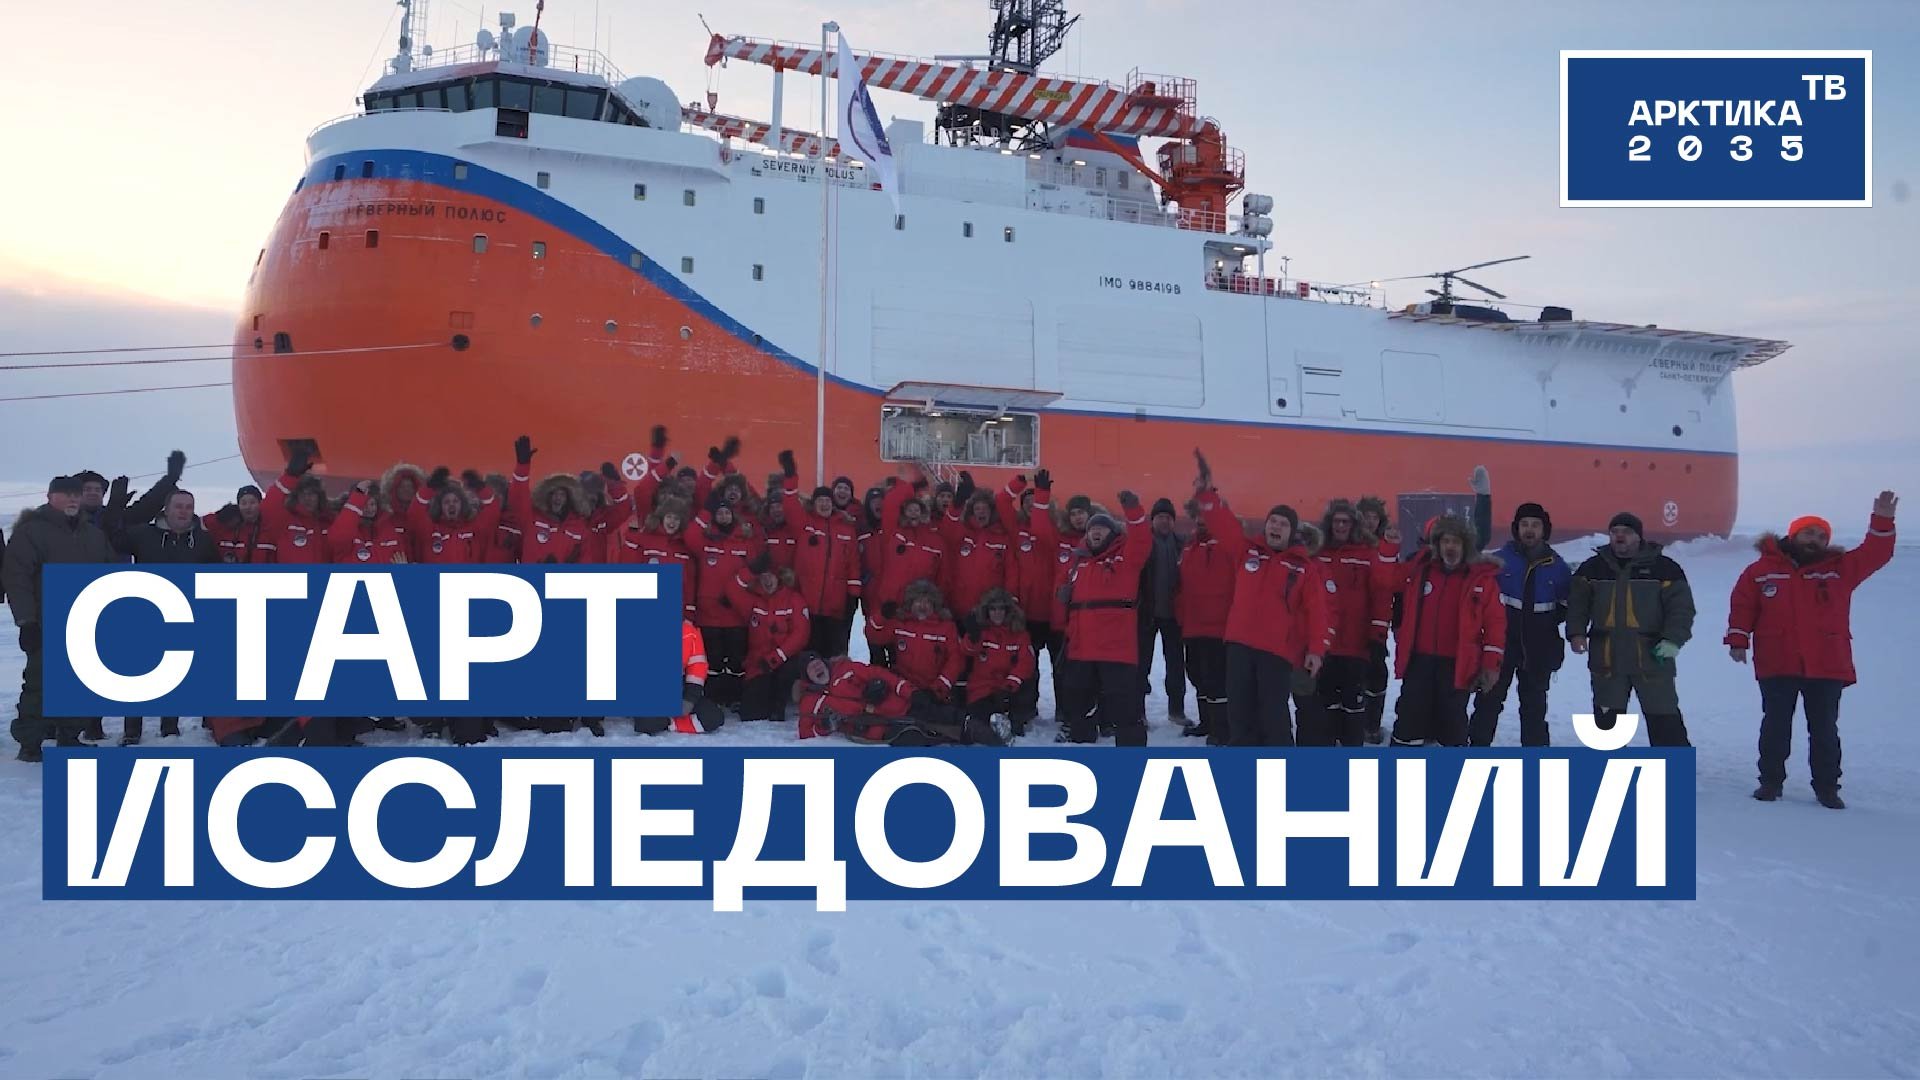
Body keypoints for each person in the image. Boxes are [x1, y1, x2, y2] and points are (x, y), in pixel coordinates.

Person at [1729, 493, 1897, 809]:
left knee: (1824, 730)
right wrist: (1738, 639)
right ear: (1793, 535)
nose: (1815, 540)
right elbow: (1743, 605)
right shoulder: (1761, 570)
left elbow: (1876, 553)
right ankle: (1770, 782)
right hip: (1778, 661)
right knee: (1775, 725)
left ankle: (1827, 788)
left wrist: (1883, 520)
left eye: (1821, 536)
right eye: (1809, 533)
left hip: (1827, 663)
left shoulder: (1840, 570)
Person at [1194, 452, 1333, 747]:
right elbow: (1222, 523)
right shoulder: (1247, 551)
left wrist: (1316, 650)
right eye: (1273, 522)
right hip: (1239, 647)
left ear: (1291, 533)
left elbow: (1317, 613)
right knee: (1239, 713)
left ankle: (1279, 765)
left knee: (1273, 716)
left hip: (1276, 652)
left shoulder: (1303, 567)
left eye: (1283, 524)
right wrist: (1206, 493)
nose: (1276, 527)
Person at [5, 475, 119, 761]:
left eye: (75, 494)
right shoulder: (31, 532)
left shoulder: (93, 534)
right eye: (65, 494)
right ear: (50, 497)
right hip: (45, 622)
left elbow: (109, 574)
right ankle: (30, 742)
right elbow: (17, 578)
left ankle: (70, 735)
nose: (72, 499)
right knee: (39, 684)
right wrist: (26, 622)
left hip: (85, 620)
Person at [1566, 511, 1696, 747]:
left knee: (1665, 721)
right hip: (1607, 658)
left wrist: (1673, 639)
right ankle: (1612, 769)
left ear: (1638, 536)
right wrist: (1576, 633)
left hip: (1652, 657)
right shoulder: (1592, 569)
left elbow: (1681, 610)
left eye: (1626, 532)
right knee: (1607, 726)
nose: (1619, 536)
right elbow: (1577, 605)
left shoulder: (1665, 569)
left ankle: (1673, 768)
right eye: (1614, 532)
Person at [105, 484, 220, 743]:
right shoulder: (143, 534)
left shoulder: (202, 540)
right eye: (178, 506)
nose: (183, 511)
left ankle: (170, 727)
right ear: (166, 510)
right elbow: (112, 538)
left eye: (188, 507)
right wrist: (116, 506)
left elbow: (215, 572)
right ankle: (132, 730)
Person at [1386, 516, 1506, 746]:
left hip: (1457, 665)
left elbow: (1495, 624)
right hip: (1419, 661)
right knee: (1409, 720)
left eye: (1456, 542)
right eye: (1445, 541)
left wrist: (1492, 664)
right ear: (1437, 545)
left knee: (1452, 726)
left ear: (1465, 546)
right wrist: (1390, 548)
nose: (1450, 547)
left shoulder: (1481, 579)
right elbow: (1388, 581)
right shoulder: (1420, 570)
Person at [1469, 501, 1572, 746]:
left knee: (1534, 705)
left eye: (1535, 525)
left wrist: (1545, 630)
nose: (1529, 530)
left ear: (1544, 530)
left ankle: (1535, 755)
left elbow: (1566, 606)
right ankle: (1476, 749)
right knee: (1488, 700)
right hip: (1500, 644)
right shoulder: (1498, 561)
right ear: (1516, 528)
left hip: (1538, 648)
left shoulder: (1558, 567)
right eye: (1524, 524)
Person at [1056, 489, 1151, 744]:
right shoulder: (1078, 562)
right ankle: (1082, 745)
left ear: (1113, 533)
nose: (1095, 532)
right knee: (1080, 703)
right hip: (1082, 648)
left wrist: (1133, 510)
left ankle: (1132, 756)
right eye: (1092, 529)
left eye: (1101, 529)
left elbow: (1142, 539)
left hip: (1115, 648)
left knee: (1124, 707)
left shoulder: (1126, 558)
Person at [1309, 499, 1392, 746]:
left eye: (1345, 522)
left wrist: (1377, 636)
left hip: (1356, 644)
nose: (1341, 526)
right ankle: (1328, 745)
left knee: (1353, 704)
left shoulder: (1367, 554)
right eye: (1336, 521)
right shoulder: (1318, 553)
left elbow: (1380, 597)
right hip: (1325, 644)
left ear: (1354, 525)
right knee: (1326, 700)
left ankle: (1352, 749)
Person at [795, 653, 1005, 746]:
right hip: (878, 728)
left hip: (900, 704)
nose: (817, 668)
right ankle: (967, 735)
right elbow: (805, 731)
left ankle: (987, 730)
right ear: (807, 678)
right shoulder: (811, 702)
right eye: (812, 669)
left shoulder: (847, 669)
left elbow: (881, 674)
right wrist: (825, 726)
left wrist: (909, 691)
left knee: (941, 715)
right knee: (919, 737)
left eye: (818, 663)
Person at [863, 466, 946, 668]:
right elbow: (891, 503)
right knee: (878, 648)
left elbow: (942, 576)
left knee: (906, 657)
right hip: (889, 604)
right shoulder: (894, 533)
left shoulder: (935, 541)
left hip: (916, 608)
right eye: (910, 509)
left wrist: (937, 603)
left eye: (918, 509)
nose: (914, 513)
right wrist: (908, 486)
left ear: (924, 513)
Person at [1175, 496, 1237, 744]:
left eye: (1207, 515)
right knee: (1198, 676)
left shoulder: (1228, 544)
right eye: (1199, 516)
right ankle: (1207, 722)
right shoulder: (1190, 546)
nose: (1202, 520)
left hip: (1219, 626)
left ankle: (1222, 729)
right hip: (1192, 625)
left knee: (1217, 680)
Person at [727, 554, 812, 721]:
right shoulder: (754, 600)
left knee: (789, 671)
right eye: (763, 576)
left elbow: (801, 635)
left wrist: (776, 657)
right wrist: (750, 571)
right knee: (751, 714)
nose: (767, 580)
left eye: (770, 576)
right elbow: (732, 589)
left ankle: (780, 703)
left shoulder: (794, 599)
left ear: (779, 577)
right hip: (759, 663)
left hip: (785, 660)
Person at [507, 435, 605, 563]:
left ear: (569, 499)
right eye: (554, 493)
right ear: (547, 496)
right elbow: (518, 499)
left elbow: (584, 564)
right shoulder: (532, 518)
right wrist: (522, 467)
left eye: (562, 494)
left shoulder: (579, 528)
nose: (557, 497)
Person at [793, 484, 861, 659]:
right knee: (810, 652)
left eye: (827, 501)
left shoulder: (846, 528)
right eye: (820, 501)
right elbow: (789, 505)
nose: (824, 504)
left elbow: (853, 564)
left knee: (834, 654)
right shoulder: (805, 523)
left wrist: (853, 595)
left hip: (836, 604)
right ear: (814, 504)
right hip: (808, 602)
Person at [1136, 497, 1188, 723]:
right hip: (1146, 613)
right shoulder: (1143, 543)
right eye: (1160, 517)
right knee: (1141, 664)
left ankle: (1176, 710)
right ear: (1153, 520)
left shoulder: (1182, 544)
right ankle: (1138, 712)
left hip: (1173, 614)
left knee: (1176, 665)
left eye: (1168, 517)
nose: (1164, 521)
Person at [960, 588, 1038, 736]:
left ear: (1008, 611)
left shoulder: (1019, 634)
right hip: (983, 688)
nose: (997, 613)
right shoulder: (982, 631)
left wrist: (1010, 684)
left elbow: (1026, 662)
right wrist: (972, 636)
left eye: (1001, 608)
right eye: (993, 609)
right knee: (980, 719)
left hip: (1009, 688)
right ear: (987, 611)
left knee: (1025, 690)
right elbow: (966, 650)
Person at [1355, 494, 1400, 744]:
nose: (1371, 521)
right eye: (1366, 517)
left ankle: (1371, 725)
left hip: (1378, 624)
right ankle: (1351, 724)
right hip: (1351, 623)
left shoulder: (1387, 548)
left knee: (1376, 675)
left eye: (1375, 517)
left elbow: (1394, 584)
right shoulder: (1350, 545)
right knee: (1352, 675)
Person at [882, 578, 967, 701]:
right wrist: (881, 617)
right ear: (910, 604)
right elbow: (875, 636)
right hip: (903, 688)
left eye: (928, 602)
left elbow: (956, 660)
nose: (922, 606)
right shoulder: (900, 623)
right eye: (918, 601)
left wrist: (940, 686)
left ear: (934, 606)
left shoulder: (946, 628)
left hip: (932, 691)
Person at [204, 484, 279, 563]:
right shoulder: (227, 527)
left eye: (252, 502)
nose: (248, 507)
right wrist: (220, 516)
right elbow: (201, 523)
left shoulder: (270, 530)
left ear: (260, 503)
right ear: (238, 505)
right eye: (243, 503)